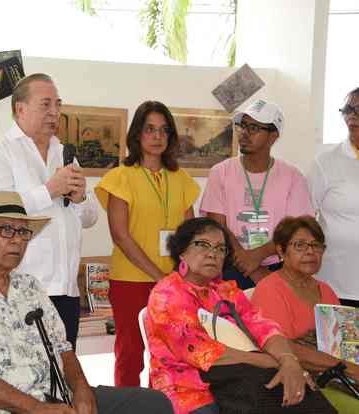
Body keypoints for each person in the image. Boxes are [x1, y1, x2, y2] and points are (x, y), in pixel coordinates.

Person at [0, 191, 173, 414]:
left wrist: (82, 391)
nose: (17, 240)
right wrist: (35, 408)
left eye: (23, 232)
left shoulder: (30, 285)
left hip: (55, 398)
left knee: (152, 403)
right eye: (6, 230)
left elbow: (63, 348)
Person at [0, 73, 98, 347]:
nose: (54, 112)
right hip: (18, 289)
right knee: (26, 377)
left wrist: (80, 198)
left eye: (58, 105)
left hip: (67, 291)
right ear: (20, 109)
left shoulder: (66, 154)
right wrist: (50, 190)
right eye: (45, 105)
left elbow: (91, 218)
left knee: (64, 378)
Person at [146, 217, 314, 414]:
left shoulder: (224, 290)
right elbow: (200, 350)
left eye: (220, 248)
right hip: (188, 390)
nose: (212, 254)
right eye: (202, 245)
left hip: (238, 380)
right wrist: (271, 361)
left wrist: (288, 360)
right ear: (182, 251)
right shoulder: (167, 294)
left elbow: (263, 327)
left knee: (299, 396)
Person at [95, 101, 199, 387]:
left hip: (175, 281)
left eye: (164, 130)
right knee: (130, 353)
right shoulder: (120, 177)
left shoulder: (182, 179)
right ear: (137, 135)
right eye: (150, 129)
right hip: (131, 280)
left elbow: (191, 234)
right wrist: (159, 276)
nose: (157, 136)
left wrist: (182, 278)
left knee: (168, 354)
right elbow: (120, 235)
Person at [200, 99, 314, 289]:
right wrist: (252, 267)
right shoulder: (220, 172)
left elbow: (298, 228)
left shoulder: (292, 176)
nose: (244, 133)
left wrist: (258, 256)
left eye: (254, 128)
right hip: (229, 266)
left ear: (273, 136)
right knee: (228, 319)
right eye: (242, 126)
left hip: (278, 267)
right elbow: (216, 225)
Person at [251, 216, 359, 412]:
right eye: (300, 245)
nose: (310, 251)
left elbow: (347, 343)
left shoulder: (326, 290)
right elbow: (283, 348)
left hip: (342, 373)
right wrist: (349, 368)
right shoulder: (269, 289)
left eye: (316, 245)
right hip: (305, 381)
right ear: (281, 250)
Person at [308, 87, 359, 307]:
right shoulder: (325, 162)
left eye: (358, 110)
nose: (352, 116)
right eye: (348, 109)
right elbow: (305, 216)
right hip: (336, 283)